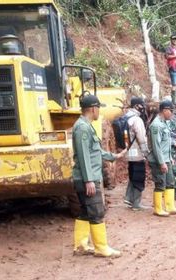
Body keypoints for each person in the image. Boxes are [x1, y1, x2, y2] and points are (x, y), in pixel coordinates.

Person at [72, 95, 126, 258]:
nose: (99, 112)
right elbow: (83, 156)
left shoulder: (85, 126)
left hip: (86, 177)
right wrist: (89, 180)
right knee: (96, 212)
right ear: (93, 109)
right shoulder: (82, 128)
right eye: (98, 108)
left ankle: (80, 245)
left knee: (85, 212)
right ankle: (101, 248)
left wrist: (113, 156)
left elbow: (94, 151)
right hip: (88, 178)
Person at [148, 100, 176, 216]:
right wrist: (162, 162)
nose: (172, 114)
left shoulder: (164, 123)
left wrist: (169, 158)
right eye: (171, 111)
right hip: (159, 160)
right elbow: (156, 146)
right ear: (164, 110)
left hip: (166, 159)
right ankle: (158, 209)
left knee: (170, 182)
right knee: (160, 183)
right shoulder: (156, 125)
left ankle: (170, 206)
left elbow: (166, 144)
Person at [123, 97, 150, 211]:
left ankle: (129, 198)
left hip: (129, 152)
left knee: (132, 176)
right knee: (139, 177)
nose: (143, 107)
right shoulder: (137, 120)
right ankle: (136, 204)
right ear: (136, 106)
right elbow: (141, 138)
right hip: (137, 153)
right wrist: (146, 152)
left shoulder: (126, 117)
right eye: (141, 105)